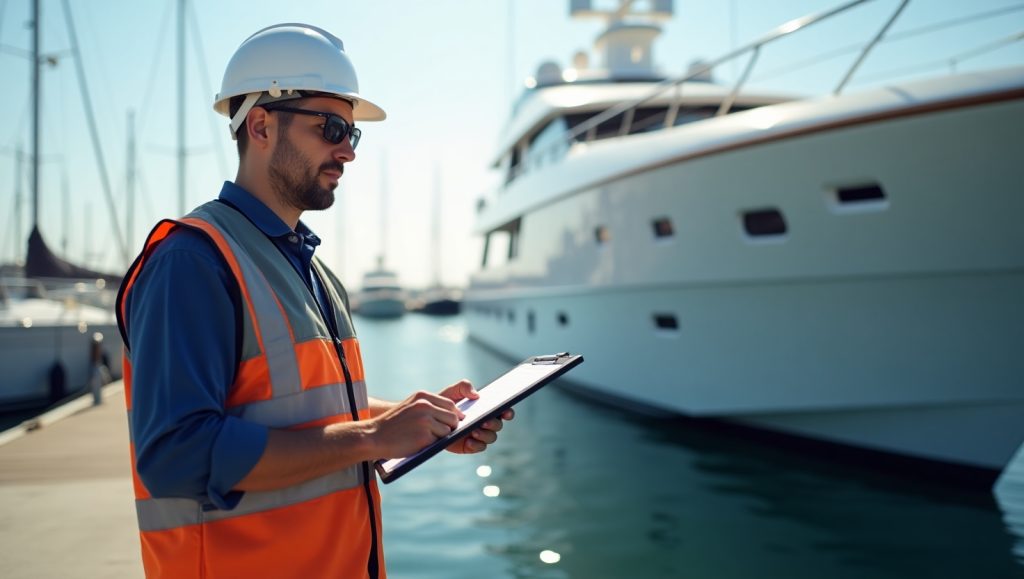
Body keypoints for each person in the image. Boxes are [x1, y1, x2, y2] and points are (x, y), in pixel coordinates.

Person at [115, 23, 512, 579]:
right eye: (330, 128)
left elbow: (319, 417)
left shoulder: (314, 270)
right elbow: (175, 454)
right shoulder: (193, 263)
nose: (347, 151)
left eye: (352, 133)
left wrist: (418, 421)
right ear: (259, 126)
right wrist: (374, 437)